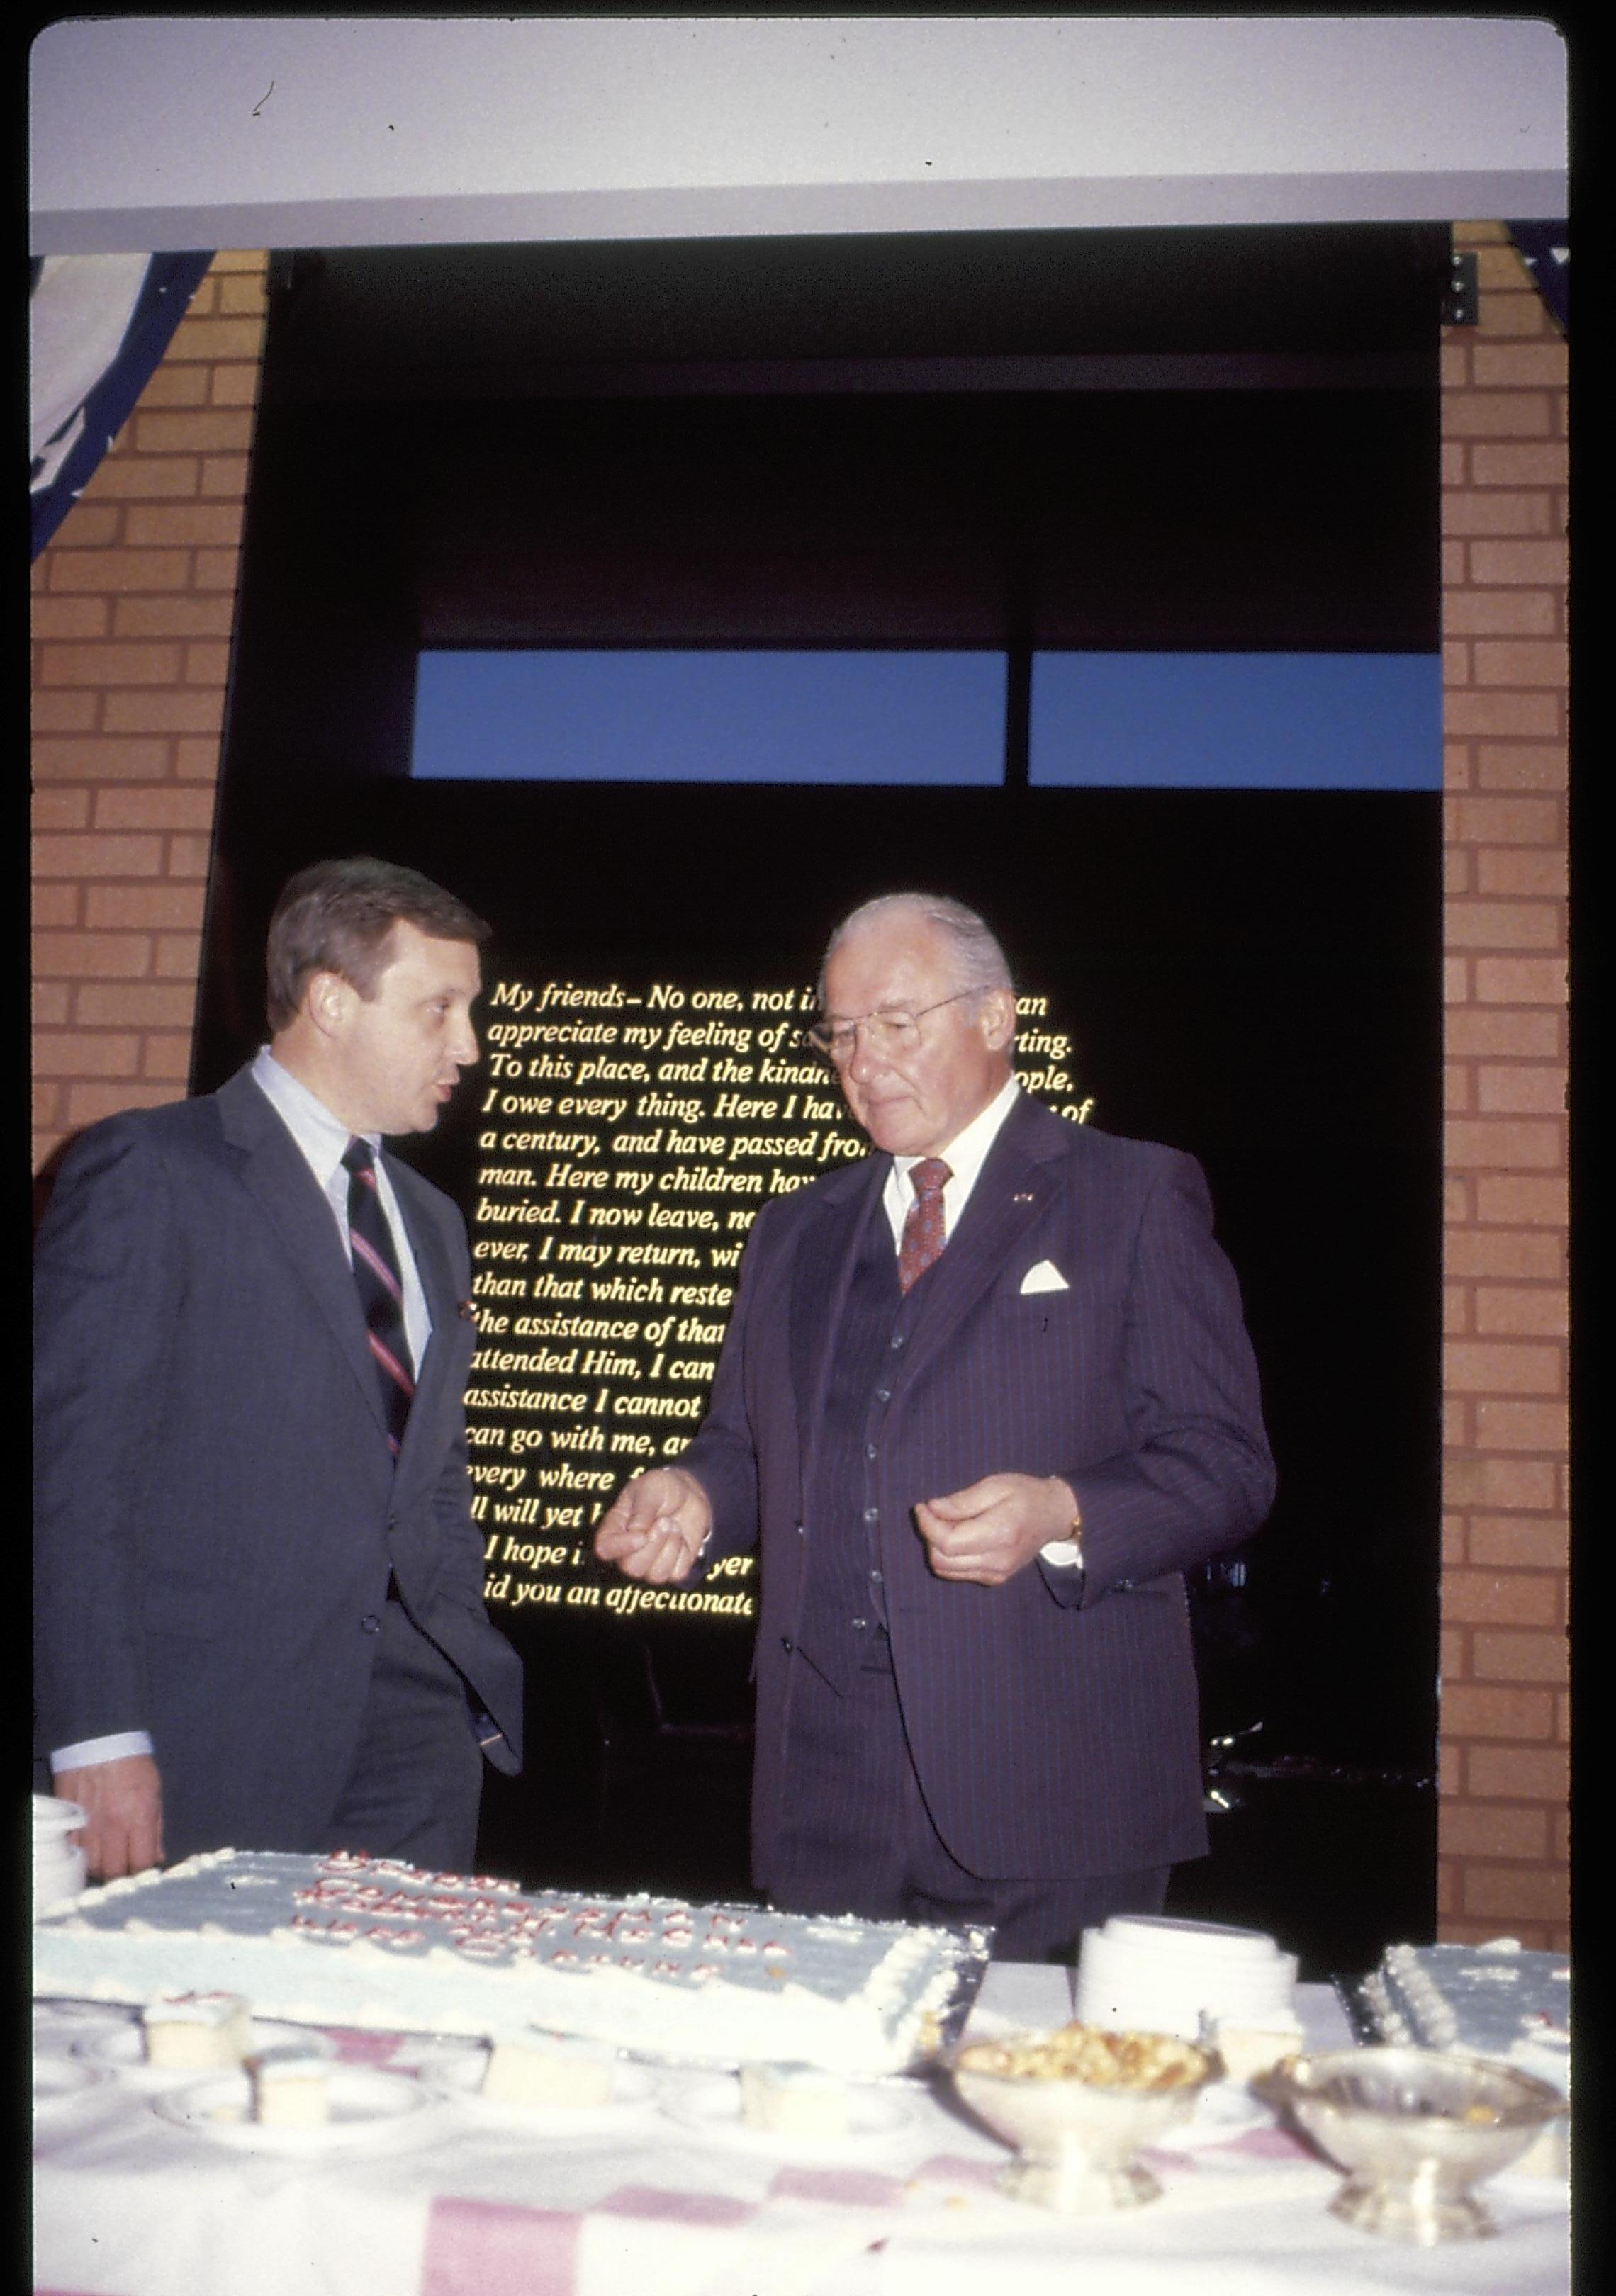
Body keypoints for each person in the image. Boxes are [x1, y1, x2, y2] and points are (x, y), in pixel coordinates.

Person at [595, 891, 1274, 1959]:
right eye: (842, 1033)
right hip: (823, 1787)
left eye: (896, 1023)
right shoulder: (791, 1233)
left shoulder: (1132, 1195)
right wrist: (698, 1494)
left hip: (1052, 1782)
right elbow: (745, 1446)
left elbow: (1228, 1464)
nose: (863, 1061)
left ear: (996, 1018)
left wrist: (1065, 1510)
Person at [34, 856, 522, 1882]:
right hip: (208, 1737)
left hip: (416, 1744)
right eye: (439, 1009)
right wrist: (98, 1735)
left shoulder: (432, 1225)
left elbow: (430, 1481)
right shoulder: (151, 1171)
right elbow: (71, 1480)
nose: (468, 1046)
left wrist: (461, 1670)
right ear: (333, 1002)